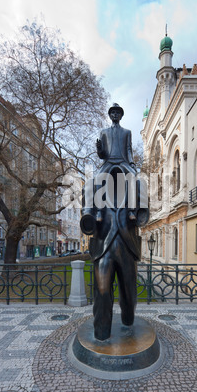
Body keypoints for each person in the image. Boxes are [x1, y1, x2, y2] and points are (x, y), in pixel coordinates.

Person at [80, 104, 149, 341]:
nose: (116, 115)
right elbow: (102, 156)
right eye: (113, 113)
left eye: (119, 112)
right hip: (104, 245)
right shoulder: (105, 133)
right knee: (101, 290)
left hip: (128, 245)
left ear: (121, 114)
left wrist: (131, 168)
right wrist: (101, 151)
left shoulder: (127, 134)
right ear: (110, 115)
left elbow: (129, 153)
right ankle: (101, 332)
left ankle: (128, 321)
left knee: (129, 293)